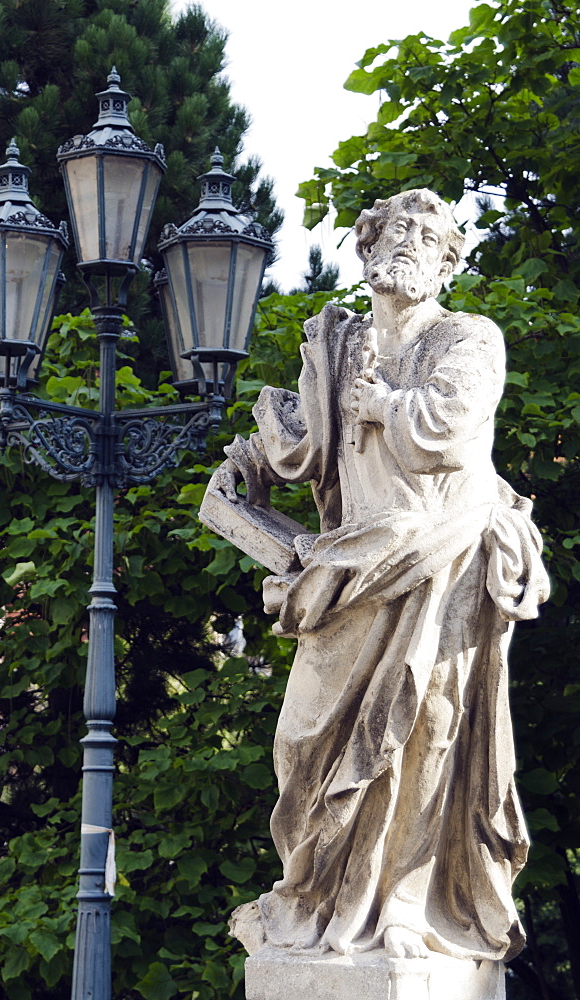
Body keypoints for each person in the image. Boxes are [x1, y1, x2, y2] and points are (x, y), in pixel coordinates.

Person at [209, 189, 549, 962]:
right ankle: (316, 893)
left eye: (427, 239)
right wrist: (251, 462)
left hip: (440, 554)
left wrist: (386, 404)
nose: (408, 248)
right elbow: (302, 445)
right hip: (351, 565)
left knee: (424, 733)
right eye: (395, 233)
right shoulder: (336, 347)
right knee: (301, 740)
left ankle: (403, 905)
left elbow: (450, 428)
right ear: (364, 252)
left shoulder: (467, 336)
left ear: (445, 264)